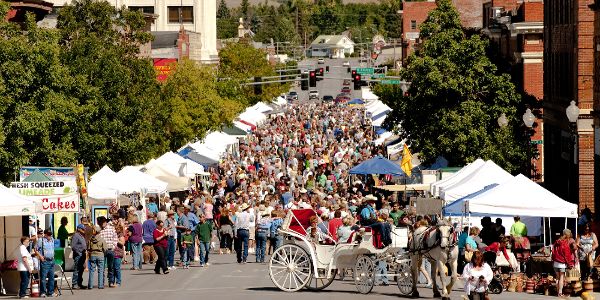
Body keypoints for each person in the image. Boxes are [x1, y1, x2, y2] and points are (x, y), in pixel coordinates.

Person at [552, 228, 576, 298]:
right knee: (561, 278)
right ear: (568, 235)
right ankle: (560, 293)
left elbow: (553, 252)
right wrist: (570, 264)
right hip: (562, 263)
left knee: (557, 278)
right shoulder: (565, 244)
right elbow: (567, 255)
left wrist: (553, 260)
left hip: (555, 262)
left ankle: (558, 293)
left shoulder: (556, 242)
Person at [98, 217, 118, 288]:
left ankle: (111, 282)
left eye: (102, 223)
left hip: (110, 249)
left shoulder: (111, 229)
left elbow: (115, 238)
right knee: (102, 267)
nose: (101, 225)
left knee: (111, 266)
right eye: (100, 223)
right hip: (102, 251)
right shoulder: (99, 230)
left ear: (105, 222)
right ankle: (101, 282)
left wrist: (113, 246)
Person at [35, 229, 55, 297]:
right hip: (45, 261)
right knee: (43, 278)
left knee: (51, 278)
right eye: (48, 235)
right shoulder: (41, 240)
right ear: (45, 234)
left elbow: (52, 248)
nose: (50, 236)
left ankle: (50, 292)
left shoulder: (52, 239)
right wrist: (40, 256)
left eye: (50, 234)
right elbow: (36, 249)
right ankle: (43, 292)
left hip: (51, 261)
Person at [87, 225, 107, 289]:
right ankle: (100, 285)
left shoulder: (91, 239)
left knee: (92, 270)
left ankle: (90, 285)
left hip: (93, 255)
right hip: (100, 255)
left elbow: (89, 248)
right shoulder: (102, 239)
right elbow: (105, 249)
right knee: (100, 270)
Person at [71, 224, 87, 289]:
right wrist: (79, 253)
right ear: (79, 229)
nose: (84, 230)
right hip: (78, 255)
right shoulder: (76, 236)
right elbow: (73, 246)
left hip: (82, 255)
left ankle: (79, 283)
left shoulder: (81, 236)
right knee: (77, 269)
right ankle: (74, 284)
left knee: (81, 269)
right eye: (83, 229)